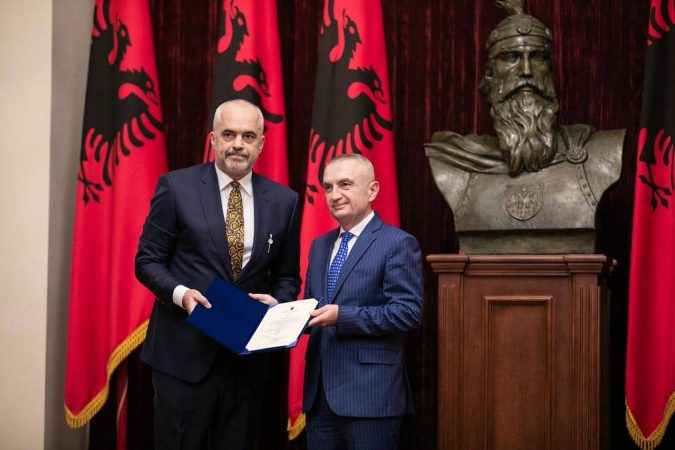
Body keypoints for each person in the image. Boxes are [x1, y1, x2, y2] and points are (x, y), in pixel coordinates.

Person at [134, 99, 301, 450]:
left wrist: (278, 303)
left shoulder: (284, 201)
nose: (238, 144)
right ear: (212, 139)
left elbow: (287, 277)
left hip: (245, 363)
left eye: (248, 136)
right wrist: (181, 294)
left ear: (261, 144)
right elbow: (147, 261)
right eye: (229, 134)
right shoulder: (176, 187)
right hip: (183, 356)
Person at [424, 0, 624, 254]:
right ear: (490, 75)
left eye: (538, 58)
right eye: (511, 57)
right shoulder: (454, 162)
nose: (527, 71)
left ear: (550, 71)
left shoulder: (601, 155)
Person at [303, 154, 424, 450]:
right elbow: (313, 308)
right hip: (319, 399)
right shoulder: (319, 246)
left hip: (370, 398)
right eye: (328, 187)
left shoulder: (397, 243)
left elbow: (407, 312)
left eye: (345, 184)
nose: (334, 195)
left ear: (372, 190)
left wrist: (342, 316)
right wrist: (281, 310)